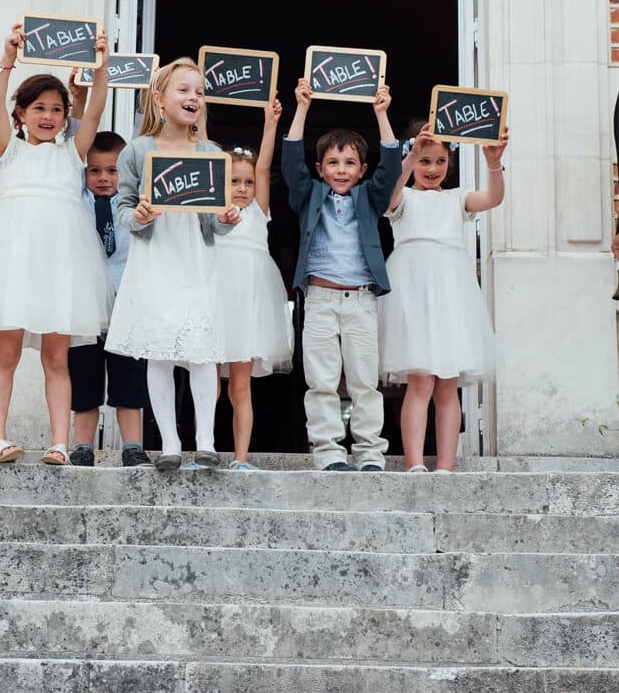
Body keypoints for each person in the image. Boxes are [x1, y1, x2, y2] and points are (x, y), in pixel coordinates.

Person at [0, 21, 110, 466]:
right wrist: (7, 58)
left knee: (57, 358)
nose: (48, 116)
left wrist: (102, 67)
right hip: (15, 259)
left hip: (60, 263)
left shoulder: (71, 153)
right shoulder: (11, 150)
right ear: (21, 113)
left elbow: (94, 111)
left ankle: (59, 442)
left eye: (57, 109)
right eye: (38, 107)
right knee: (7, 351)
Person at [103, 57, 241, 471]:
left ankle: (206, 441)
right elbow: (122, 205)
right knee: (159, 353)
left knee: (201, 352)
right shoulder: (138, 151)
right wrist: (138, 218)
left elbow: (216, 221)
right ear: (159, 99)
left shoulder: (212, 153)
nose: (193, 98)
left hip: (195, 259)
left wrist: (226, 219)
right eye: (184, 90)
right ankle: (168, 444)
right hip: (154, 258)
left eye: (199, 92)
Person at [281, 76, 402, 472]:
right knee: (321, 380)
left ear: (361, 168)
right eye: (333, 162)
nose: (341, 169)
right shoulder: (309, 195)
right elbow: (291, 163)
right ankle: (329, 451)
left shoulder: (370, 196)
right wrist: (301, 108)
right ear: (321, 168)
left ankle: (370, 453)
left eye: (350, 163)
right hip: (319, 298)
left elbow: (390, 166)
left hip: (361, 298)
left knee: (365, 381)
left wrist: (381, 114)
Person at [377, 120, 509, 475]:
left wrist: (493, 162)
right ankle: (415, 463)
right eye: (424, 161)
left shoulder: (456, 199)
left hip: (451, 291)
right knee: (421, 379)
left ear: (449, 162)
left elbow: (494, 198)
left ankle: (446, 466)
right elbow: (387, 196)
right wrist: (408, 157)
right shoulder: (403, 198)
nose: (432, 169)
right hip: (413, 290)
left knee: (448, 381)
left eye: (439, 161)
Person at [66, 126, 153, 468]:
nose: (103, 178)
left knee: (129, 373)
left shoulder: (132, 205)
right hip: (86, 302)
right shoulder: (78, 200)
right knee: (84, 373)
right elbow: (74, 147)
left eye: (113, 170)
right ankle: (82, 445)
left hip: (126, 300)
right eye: (95, 170)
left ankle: (132, 445)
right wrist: (79, 100)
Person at [216, 97, 294, 471]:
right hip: (216, 301)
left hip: (249, 304)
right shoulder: (212, 211)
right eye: (234, 181)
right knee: (208, 383)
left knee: (240, 386)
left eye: (247, 182)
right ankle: (203, 448)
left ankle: (241, 456)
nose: (243, 188)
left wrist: (270, 124)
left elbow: (263, 165)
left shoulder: (259, 213)